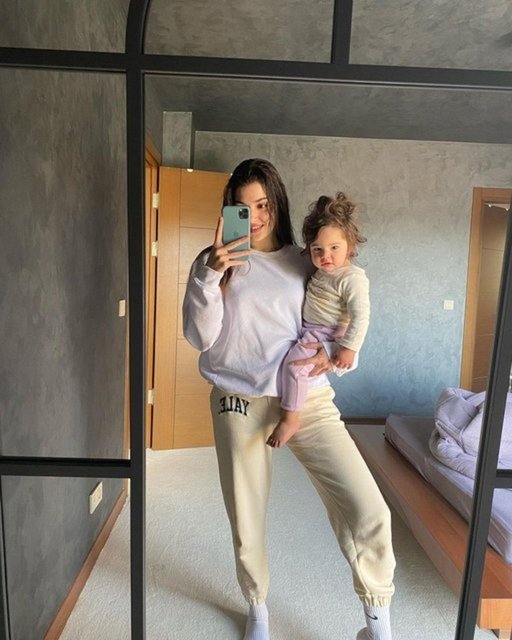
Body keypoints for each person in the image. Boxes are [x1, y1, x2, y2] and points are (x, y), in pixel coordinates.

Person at [183, 158, 395, 640]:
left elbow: (340, 323)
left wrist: (332, 353)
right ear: (229, 210)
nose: (254, 217)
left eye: (262, 205)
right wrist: (210, 275)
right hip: (238, 400)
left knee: (369, 509)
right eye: (242, 208)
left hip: (307, 400)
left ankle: (377, 624)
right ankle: (257, 609)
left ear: (276, 203)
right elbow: (199, 337)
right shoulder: (212, 263)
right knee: (246, 517)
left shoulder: (305, 260)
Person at [266, 192, 369, 449]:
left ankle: (291, 418)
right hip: (313, 329)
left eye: (334, 248)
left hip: (327, 332)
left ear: (350, 245)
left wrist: (348, 348)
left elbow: (361, 315)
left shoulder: (351, 278)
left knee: (294, 366)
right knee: (293, 364)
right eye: (317, 250)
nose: (326, 256)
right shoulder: (323, 271)